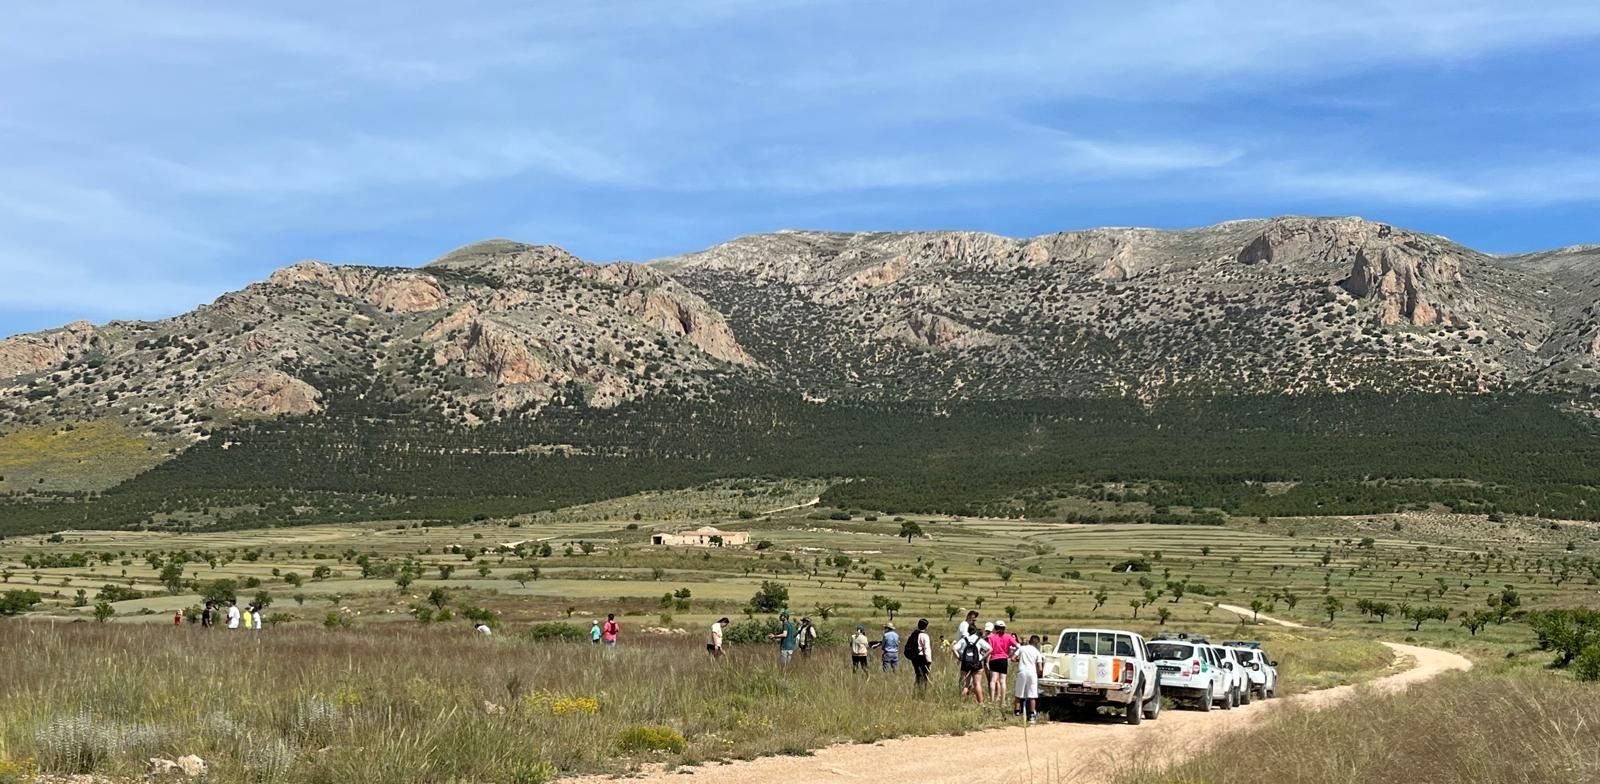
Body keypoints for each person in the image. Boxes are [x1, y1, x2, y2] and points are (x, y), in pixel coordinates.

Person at [952, 622, 990, 703]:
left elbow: (953, 648)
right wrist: (983, 658)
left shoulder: (964, 640)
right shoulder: (979, 640)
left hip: (965, 663)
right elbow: (990, 649)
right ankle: (981, 703)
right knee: (977, 684)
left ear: (968, 631)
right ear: (975, 631)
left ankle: (961, 702)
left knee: (966, 684)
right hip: (977, 663)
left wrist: (959, 658)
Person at [1015, 634, 1044, 722]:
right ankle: (1032, 714)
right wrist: (1039, 674)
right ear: (1037, 643)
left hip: (1022, 671)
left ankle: (1017, 711)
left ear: (1030, 641)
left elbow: (1013, 658)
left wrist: (1019, 660)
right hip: (1032, 673)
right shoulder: (1037, 652)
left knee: (1019, 693)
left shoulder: (1022, 648)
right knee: (1032, 695)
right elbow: (1040, 667)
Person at [988, 620, 1018, 706]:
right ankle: (1003, 701)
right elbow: (1018, 646)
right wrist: (1014, 654)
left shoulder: (991, 637)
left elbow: (989, 648)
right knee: (1003, 681)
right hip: (1004, 659)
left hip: (993, 659)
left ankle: (992, 700)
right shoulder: (1008, 637)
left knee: (993, 680)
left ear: (995, 627)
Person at [907, 618, 934, 689]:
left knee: (918, 674)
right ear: (926, 626)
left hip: (915, 657)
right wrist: (929, 661)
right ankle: (921, 692)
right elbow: (926, 649)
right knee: (924, 676)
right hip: (922, 658)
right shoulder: (925, 636)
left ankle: (916, 690)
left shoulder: (914, 634)